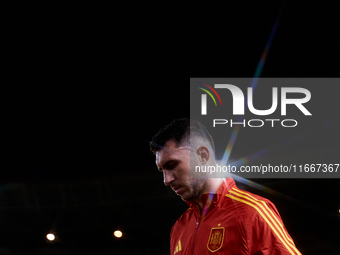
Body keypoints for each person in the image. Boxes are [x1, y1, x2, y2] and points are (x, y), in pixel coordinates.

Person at [150, 118, 302, 255]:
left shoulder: (251, 212)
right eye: (162, 170)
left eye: (172, 164)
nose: (166, 180)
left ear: (203, 155)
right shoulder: (179, 228)